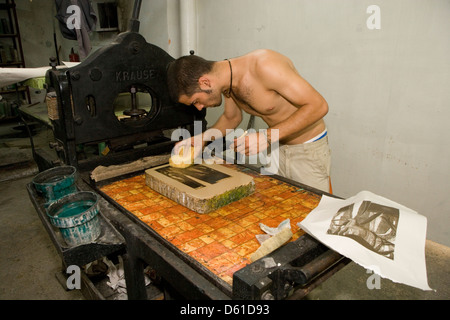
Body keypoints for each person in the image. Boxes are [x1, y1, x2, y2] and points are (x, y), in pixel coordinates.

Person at [166, 49, 332, 193]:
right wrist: (201, 139)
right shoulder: (227, 81)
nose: (199, 107)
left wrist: (265, 137)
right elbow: (232, 118)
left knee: (313, 213)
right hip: (275, 148)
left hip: (307, 150)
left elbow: (319, 106)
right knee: (279, 210)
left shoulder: (265, 66)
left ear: (205, 82)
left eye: (196, 101)